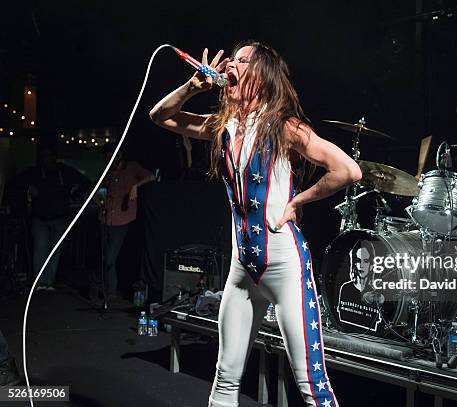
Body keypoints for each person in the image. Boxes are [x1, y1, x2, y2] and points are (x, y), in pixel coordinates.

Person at [150, 41, 361, 407]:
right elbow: (160, 116)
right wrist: (191, 88)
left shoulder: (283, 126)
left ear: (261, 75)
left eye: (242, 60)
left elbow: (348, 170)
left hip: (285, 267)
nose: (230, 63)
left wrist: (298, 201)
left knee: (311, 384)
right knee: (225, 377)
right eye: (232, 58)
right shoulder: (224, 126)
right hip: (241, 271)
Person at [16, 144, 91, 290]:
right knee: (40, 248)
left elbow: (86, 182)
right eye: (43, 157)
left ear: (54, 157)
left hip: (59, 217)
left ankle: (47, 282)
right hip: (40, 217)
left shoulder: (64, 171)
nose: (46, 159)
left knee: (53, 251)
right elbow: (17, 181)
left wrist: (72, 195)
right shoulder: (36, 172)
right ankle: (40, 282)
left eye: (48, 156)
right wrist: (27, 188)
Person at [97, 145, 154, 301]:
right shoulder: (108, 172)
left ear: (120, 155)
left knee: (110, 257)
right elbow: (100, 189)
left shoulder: (131, 167)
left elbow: (151, 176)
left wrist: (135, 186)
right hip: (105, 218)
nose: (111, 160)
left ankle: (113, 289)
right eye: (108, 158)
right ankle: (109, 291)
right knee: (105, 258)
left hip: (123, 219)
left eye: (113, 156)